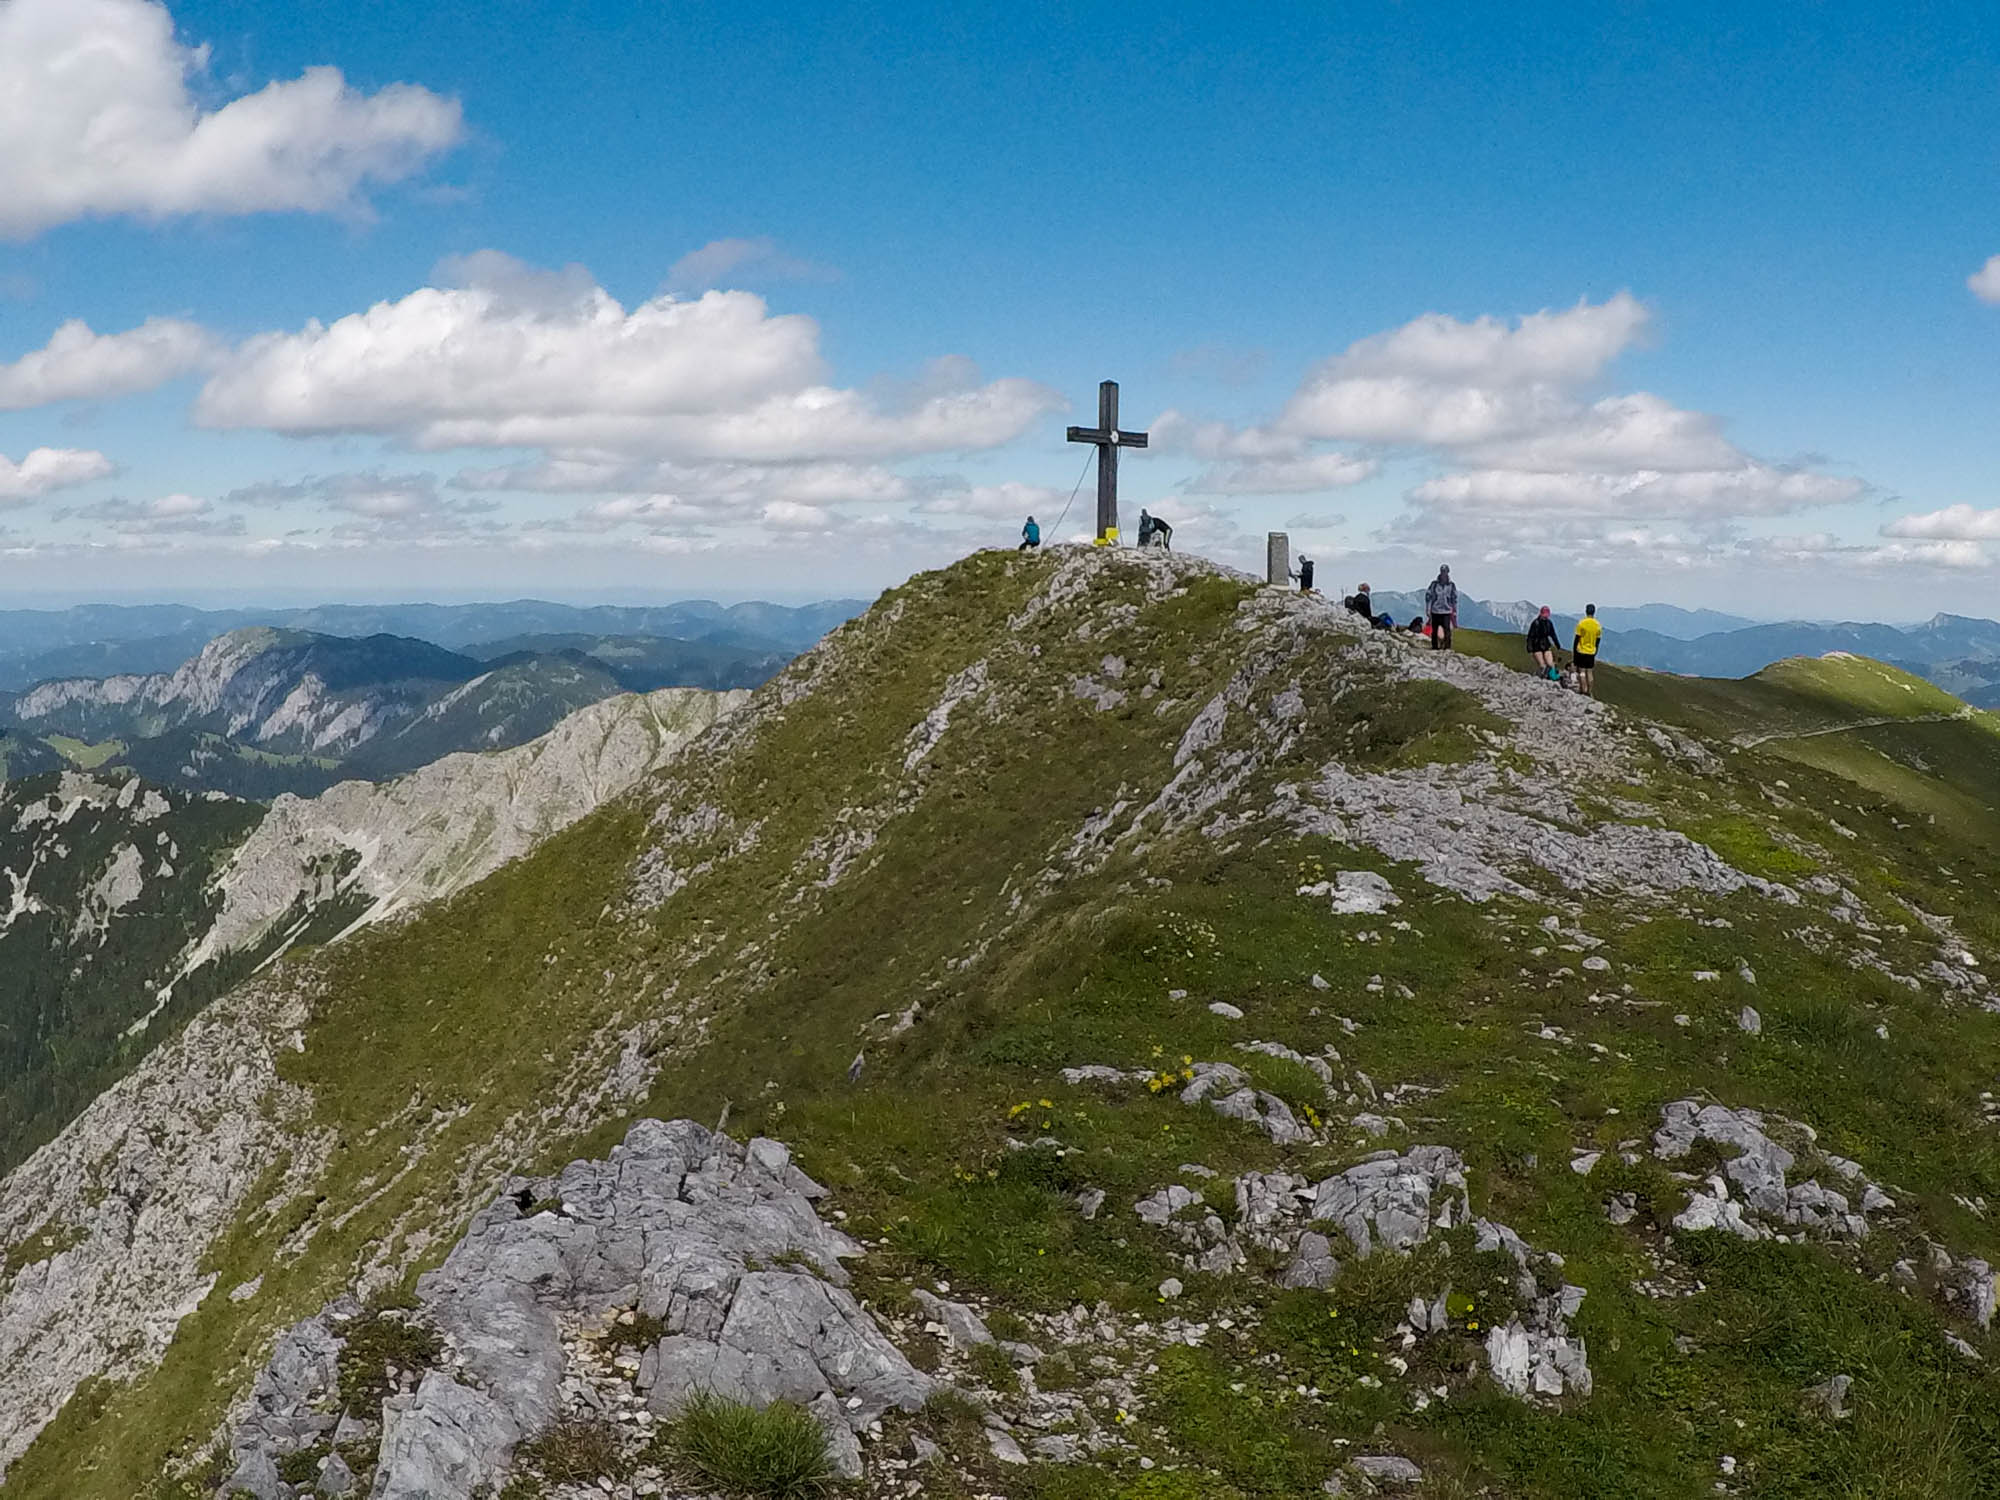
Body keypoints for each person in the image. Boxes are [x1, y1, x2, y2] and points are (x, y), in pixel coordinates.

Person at [1423, 565, 1458, 651]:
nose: (1443, 573)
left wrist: (1455, 610)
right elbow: (1428, 596)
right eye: (1442, 571)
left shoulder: (1451, 585)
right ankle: (1434, 647)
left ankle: (1447, 648)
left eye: (1445, 571)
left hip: (1446, 611)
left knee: (1447, 631)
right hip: (1435, 611)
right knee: (1434, 631)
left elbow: (1454, 598)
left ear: (1448, 572)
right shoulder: (1434, 584)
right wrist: (1428, 609)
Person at [1572, 603, 1603, 697]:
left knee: (1582, 672)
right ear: (1594, 612)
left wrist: (1574, 651)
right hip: (1591, 651)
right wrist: (1595, 650)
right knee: (1589, 672)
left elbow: (1577, 638)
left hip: (1581, 650)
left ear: (1586, 611)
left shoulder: (1581, 623)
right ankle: (1589, 691)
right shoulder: (1598, 625)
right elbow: (1598, 640)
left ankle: (1583, 690)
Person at [1526, 606, 1559, 680]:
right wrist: (1529, 647)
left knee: (1550, 664)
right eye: (1544, 616)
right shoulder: (1535, 623)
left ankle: (1552, 677)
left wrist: (1557, 644)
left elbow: (1553, 634)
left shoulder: (1549, 623)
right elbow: (1530, 636)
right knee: (1542, 665)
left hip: (1546, 644)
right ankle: (1542, 678)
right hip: (1536, 646)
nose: (1545, 617)